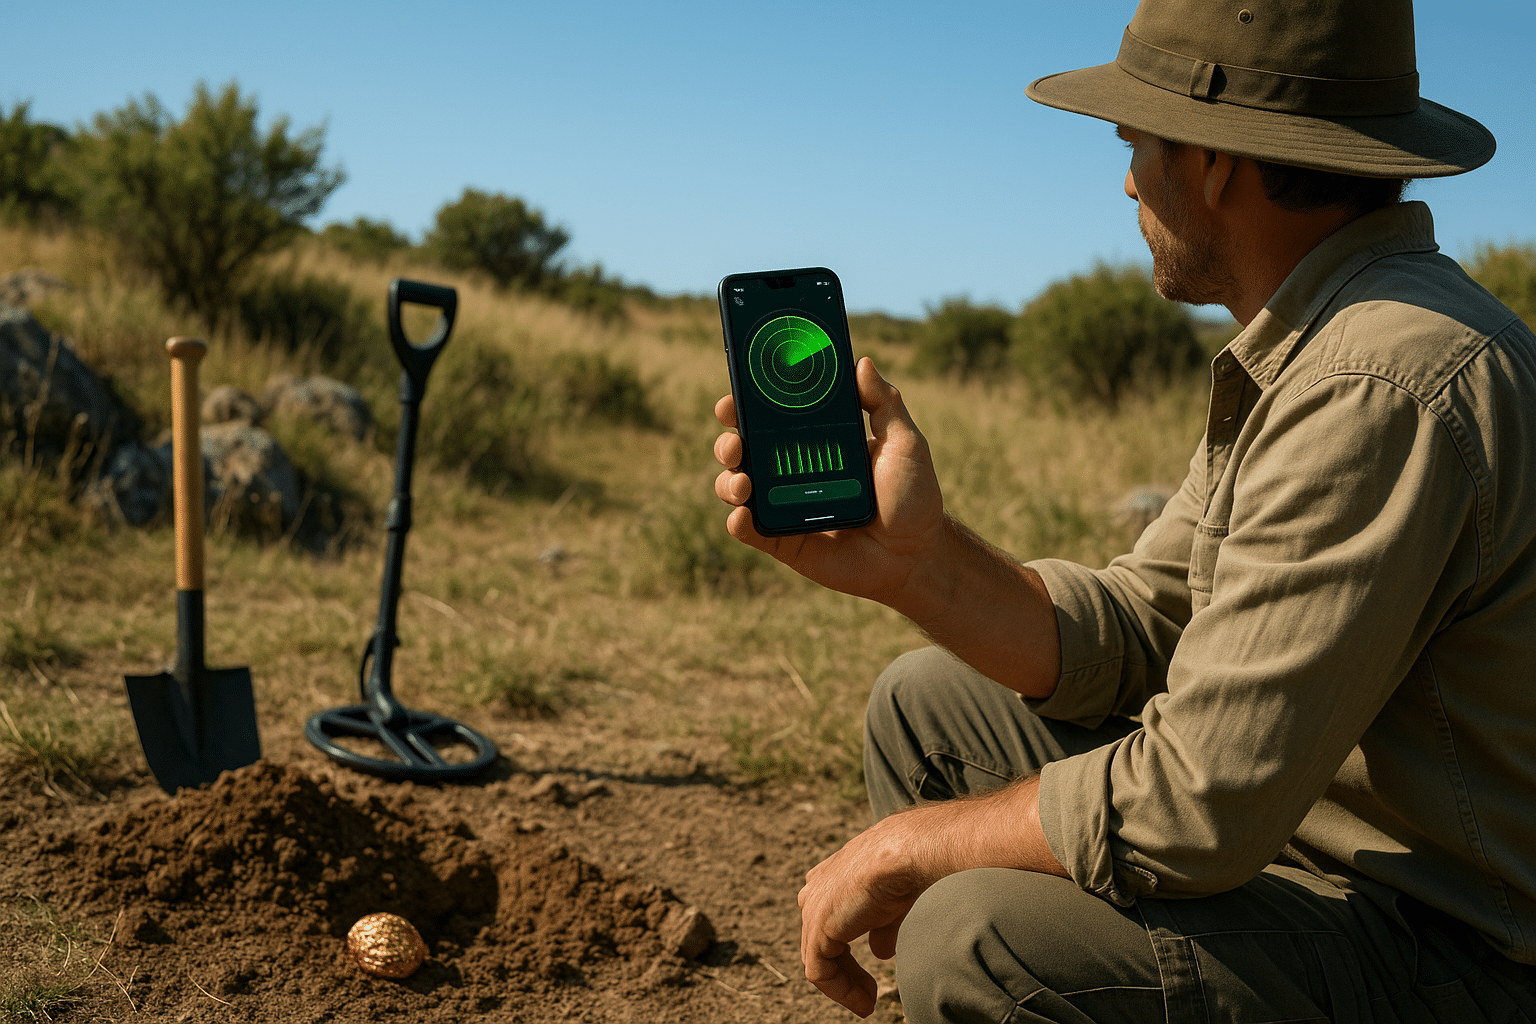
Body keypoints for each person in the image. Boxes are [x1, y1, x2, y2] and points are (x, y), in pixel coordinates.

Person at [711, 0, 1536, 1021]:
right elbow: (1146, 628)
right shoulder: (1325, 342)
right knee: (931, 707)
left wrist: (904, 847)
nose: (1127, 177)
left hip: (1449, 946)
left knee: (975, 941)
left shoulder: (1380, 383)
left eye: (1136, 141)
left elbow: (1200, 804)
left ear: (1215, 163)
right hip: (1307, 848)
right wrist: (912, 562)